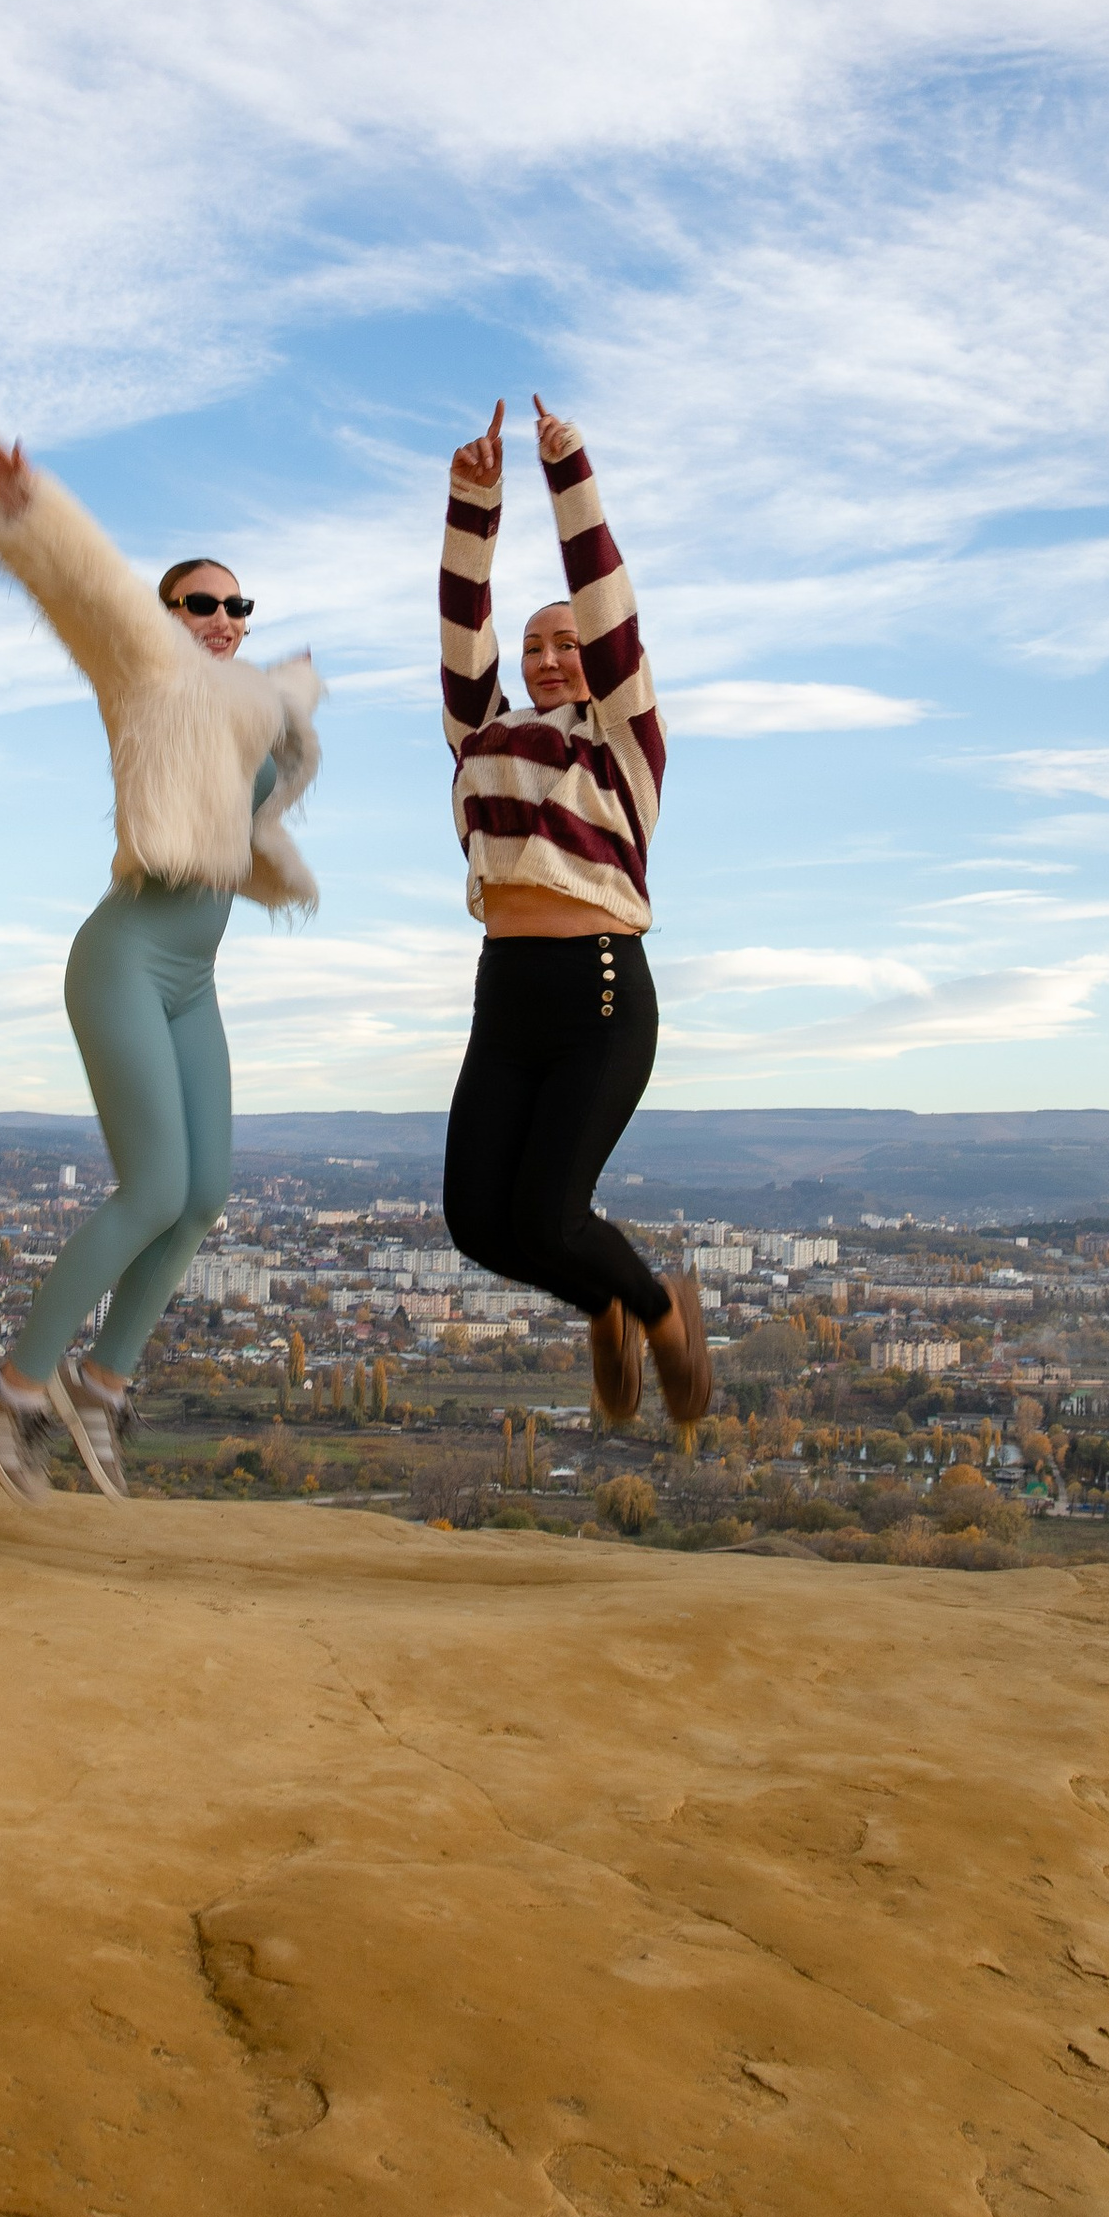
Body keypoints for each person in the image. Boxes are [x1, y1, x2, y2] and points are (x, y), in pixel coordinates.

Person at [0, 431, 322, 1504]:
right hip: (124, 954)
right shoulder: (144, 665)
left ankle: (101, 1387)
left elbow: (272, 755)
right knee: (151, 1185)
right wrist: (31, 508)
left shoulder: (252, 706)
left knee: (203, 1194)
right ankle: (14, 1386)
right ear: (169, 618)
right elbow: (91, 590)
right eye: (200, 605)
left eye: (235, 607)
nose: (221, 620)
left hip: (193, 978)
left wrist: (294, 715)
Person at [438, 395, 709, 1436]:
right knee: (478, 1223)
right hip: (504, 997)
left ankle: (658, 1311)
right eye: (534, 645)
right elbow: (463, 620)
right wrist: (472, 498)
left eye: (566, 643)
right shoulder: (481, 735)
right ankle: (604, 1298)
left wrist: (566, 474)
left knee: (549, 1212)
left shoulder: (623, 740)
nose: (549, 656)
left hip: (599, 992)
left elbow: (606, 600)